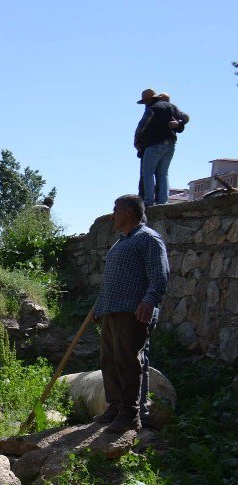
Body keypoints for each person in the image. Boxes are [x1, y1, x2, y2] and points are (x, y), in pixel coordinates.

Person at [92, 195, 169, 433]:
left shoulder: (148, 239)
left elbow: (160, 274)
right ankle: (115, 406)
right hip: (112, 310)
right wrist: (100, 306)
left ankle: (130, 413)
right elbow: (112, 281)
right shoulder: (121, 242)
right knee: (109, 359)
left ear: (129, 212)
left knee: (128, 361)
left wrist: (149, 300)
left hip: (133, 311)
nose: (112, 214)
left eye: (116, 209)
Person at [134, 88, 189, 206]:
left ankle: (148, 201)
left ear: (148, 100)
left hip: (154, 144)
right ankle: (163, 202)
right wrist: (179, 123)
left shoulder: (152, 109)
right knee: (163, 173)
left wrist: (136, 141)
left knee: (147, 173)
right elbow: (186, 117)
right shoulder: (171, 107)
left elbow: (141, 126)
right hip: (170, 144)